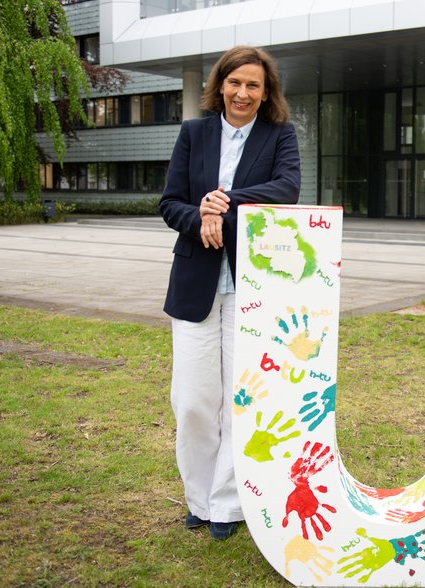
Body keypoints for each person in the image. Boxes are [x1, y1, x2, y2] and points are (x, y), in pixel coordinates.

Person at [160, 46, 301, 541]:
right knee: (195, 399)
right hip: (196, 283)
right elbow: (170, 202)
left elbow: (288, 189)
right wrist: (200, 217)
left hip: (253, 287)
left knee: (242, 398)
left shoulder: (279, 135)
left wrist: (223, 202)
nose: (243, 93)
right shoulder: (194, 133)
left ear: (266, 94)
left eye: (254, 85)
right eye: (235, 82)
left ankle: (226, 505)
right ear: (220, 85)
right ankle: (198, 499)